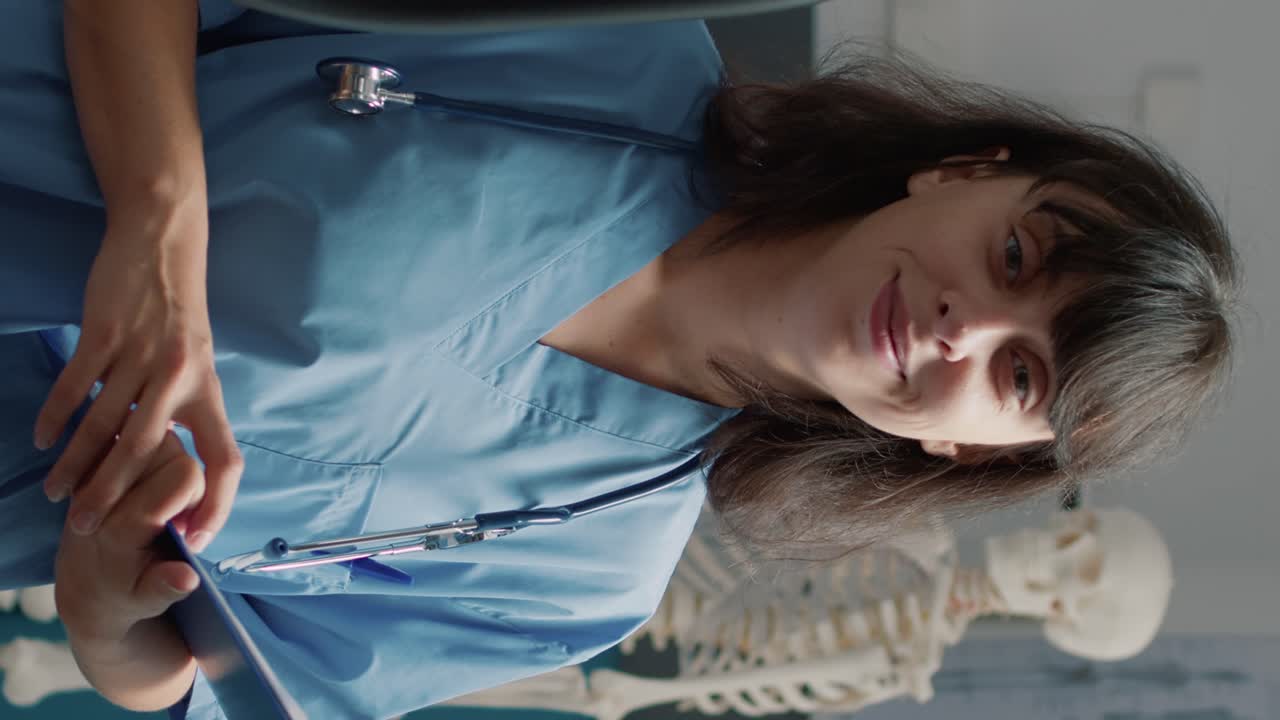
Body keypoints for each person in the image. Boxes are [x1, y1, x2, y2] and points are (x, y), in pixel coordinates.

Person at [0, 1, 1239, 718]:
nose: (961, 327)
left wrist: (109, 600)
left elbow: (187, 680)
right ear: (963, 173)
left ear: (962, 447)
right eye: (1016, 253)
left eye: (1016, 377)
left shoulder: (590, 576)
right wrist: (159, 216)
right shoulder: (610, 42)